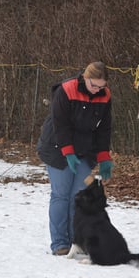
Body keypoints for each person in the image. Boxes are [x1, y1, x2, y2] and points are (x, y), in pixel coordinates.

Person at [36, 61, 114, 256]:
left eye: (101, 86)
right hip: (56, 148)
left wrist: (104, 157)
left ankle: (76, 240)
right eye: (93, 85)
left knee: (79, 196)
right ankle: (59, 243)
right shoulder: (66, 90)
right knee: (61, 194)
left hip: (85, 150)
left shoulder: (105, 95)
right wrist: (68, 152)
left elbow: (104, 129)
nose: (97, 90)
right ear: (85, 78)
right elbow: (60, 124)